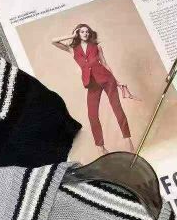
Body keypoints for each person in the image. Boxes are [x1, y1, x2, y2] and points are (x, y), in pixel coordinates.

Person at [52, 23, 133, 153]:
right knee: (92, 115)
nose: (85, 34)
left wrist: (117, 81)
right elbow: (54, 41)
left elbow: (105, 64)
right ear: (78, 33)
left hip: (107, 80)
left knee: (117, 109)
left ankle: (128, 141)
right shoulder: (72, 49)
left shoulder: (96, 47)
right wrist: (72, 36)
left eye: (87, 32)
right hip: (92, 84)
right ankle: (101, 148)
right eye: (82, 32)